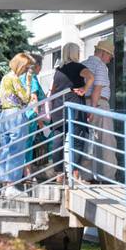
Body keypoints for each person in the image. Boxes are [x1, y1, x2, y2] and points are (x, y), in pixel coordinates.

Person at [49, 42, 94, 183]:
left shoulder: (58, 70)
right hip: (74, 104)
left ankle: (59, 173)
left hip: (58, 105)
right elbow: (91, 77)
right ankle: (75, 173)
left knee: (58, 139)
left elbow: (53, 89)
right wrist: (85, 89)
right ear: (75, 53)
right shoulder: (78, 67)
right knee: (78, 138)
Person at [0, 53, 34, 198]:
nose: (26, 70)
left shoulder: (5, 77)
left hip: (4, 115)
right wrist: (29, 83)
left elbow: (0, 99)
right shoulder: (14, 79)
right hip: (16, 115)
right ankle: (11, 186)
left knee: (5, 149)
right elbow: (25, 98)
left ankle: (5, 185)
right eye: (26, 67)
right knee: (17, 149)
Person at [82, 38, 117, 183]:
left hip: (84, 103)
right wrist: (93, 108)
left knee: (88, 141)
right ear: (103, 53)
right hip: (98, 105)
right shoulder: (100, 66)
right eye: (109, 56)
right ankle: (108, 177)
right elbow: (97, 88)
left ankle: (86, 175)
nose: (109, 59)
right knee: (107, 141)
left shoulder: (83, 64)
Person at [20, 54, 47, 179]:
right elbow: (34, 97)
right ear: (37, 66)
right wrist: (38, 118)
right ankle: (28, 174)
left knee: (23, 144)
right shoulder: (33, 78)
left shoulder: (20, 77)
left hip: (22, 114)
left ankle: (24, 174)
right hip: (31, 115)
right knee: (28, 145)